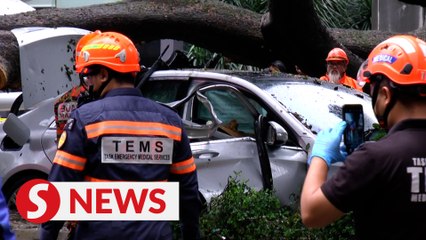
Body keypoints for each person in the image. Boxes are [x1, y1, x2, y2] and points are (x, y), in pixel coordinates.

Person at [40, 31, 201, 240]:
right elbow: (188, 195)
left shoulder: (86, 120)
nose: (88, 83)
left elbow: (59, 190)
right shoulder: (170, 122)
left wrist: (47, 234)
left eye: (89, 75)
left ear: (105, 75)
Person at [301, 35, 426, 239]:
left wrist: (320, 156)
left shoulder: (375, 158)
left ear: (385, 95)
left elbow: (311, 213)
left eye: (372, 91)